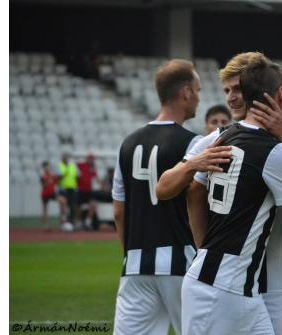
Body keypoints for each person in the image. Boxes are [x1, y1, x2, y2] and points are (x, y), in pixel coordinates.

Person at [157, 52, 282, 334]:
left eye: (238, 88)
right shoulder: (219, 138)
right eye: (226, 91)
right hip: (231, 278)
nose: (232, 97)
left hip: (280, 282)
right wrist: (207, 247)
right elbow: (189, 192)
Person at [111, 59, 226, 335]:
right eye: (197, 90)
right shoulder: (193, 144)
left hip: (136, 266)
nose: (199, 99)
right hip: (181, 263)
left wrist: (133, 254)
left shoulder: (127, 144)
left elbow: (118, 212)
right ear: (185, 92)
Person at [39, 161, 66, 229]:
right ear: (44, 168)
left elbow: (57, 181)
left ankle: (62, 219)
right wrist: (49, 181)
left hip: (52, 193)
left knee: (63, 201)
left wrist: (60, 178)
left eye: (48, 166)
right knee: (45, 209)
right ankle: (45, 225)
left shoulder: (52, 175)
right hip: (45, 194)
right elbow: (44, 186)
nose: (47, 168)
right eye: (46, 166)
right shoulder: (43, 175)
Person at [77, 153, 100, 230]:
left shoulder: (93, 168)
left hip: (89, 191)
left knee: (93, 205)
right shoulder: (81, 165)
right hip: (81, 190)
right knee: (80, 208)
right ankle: (79, 222)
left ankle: (88, 221)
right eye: (89, 159)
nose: (90, 160)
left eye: (91, 159)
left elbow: (96, 178)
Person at [57, 153, 80, 228]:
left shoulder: (72, 166)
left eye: (66, 158)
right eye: (64, 158)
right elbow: (58, 177)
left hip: (72, 188)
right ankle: (63, 222)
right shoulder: (59, 166)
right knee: (64, 206)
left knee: (73, 206)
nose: (66, 159)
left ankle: (72, 221)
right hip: (64, 189)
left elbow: (77, 176)